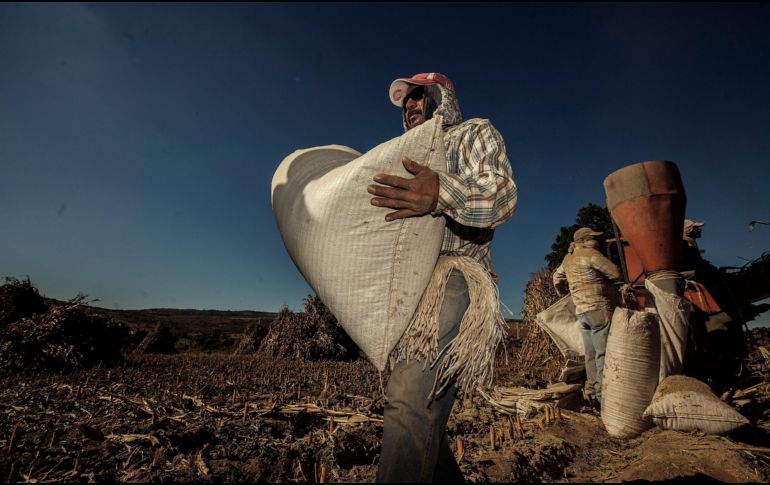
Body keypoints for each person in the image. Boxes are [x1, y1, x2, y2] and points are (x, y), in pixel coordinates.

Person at [367, 72, 517, 482]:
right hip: (409, 292)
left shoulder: (473, 133)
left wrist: (439, 193)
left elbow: (501, 195)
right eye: (406, 102)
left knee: (410, 399)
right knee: (419, 414)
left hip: (452, 278)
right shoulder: (401, 156)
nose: (410, 106)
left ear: (443, 98)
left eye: (418, 96)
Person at [552, 227, 621, 407]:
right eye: (594, 238)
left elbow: (556, 278)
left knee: (590, 354)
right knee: (603, 352)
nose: (597, 242)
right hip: (599, 308)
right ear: (584, 241)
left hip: (581, 312)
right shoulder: (590, 254)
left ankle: (591, 391)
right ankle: (603, 394)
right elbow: (615, 273)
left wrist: (563, 293)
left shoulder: (568, 259)